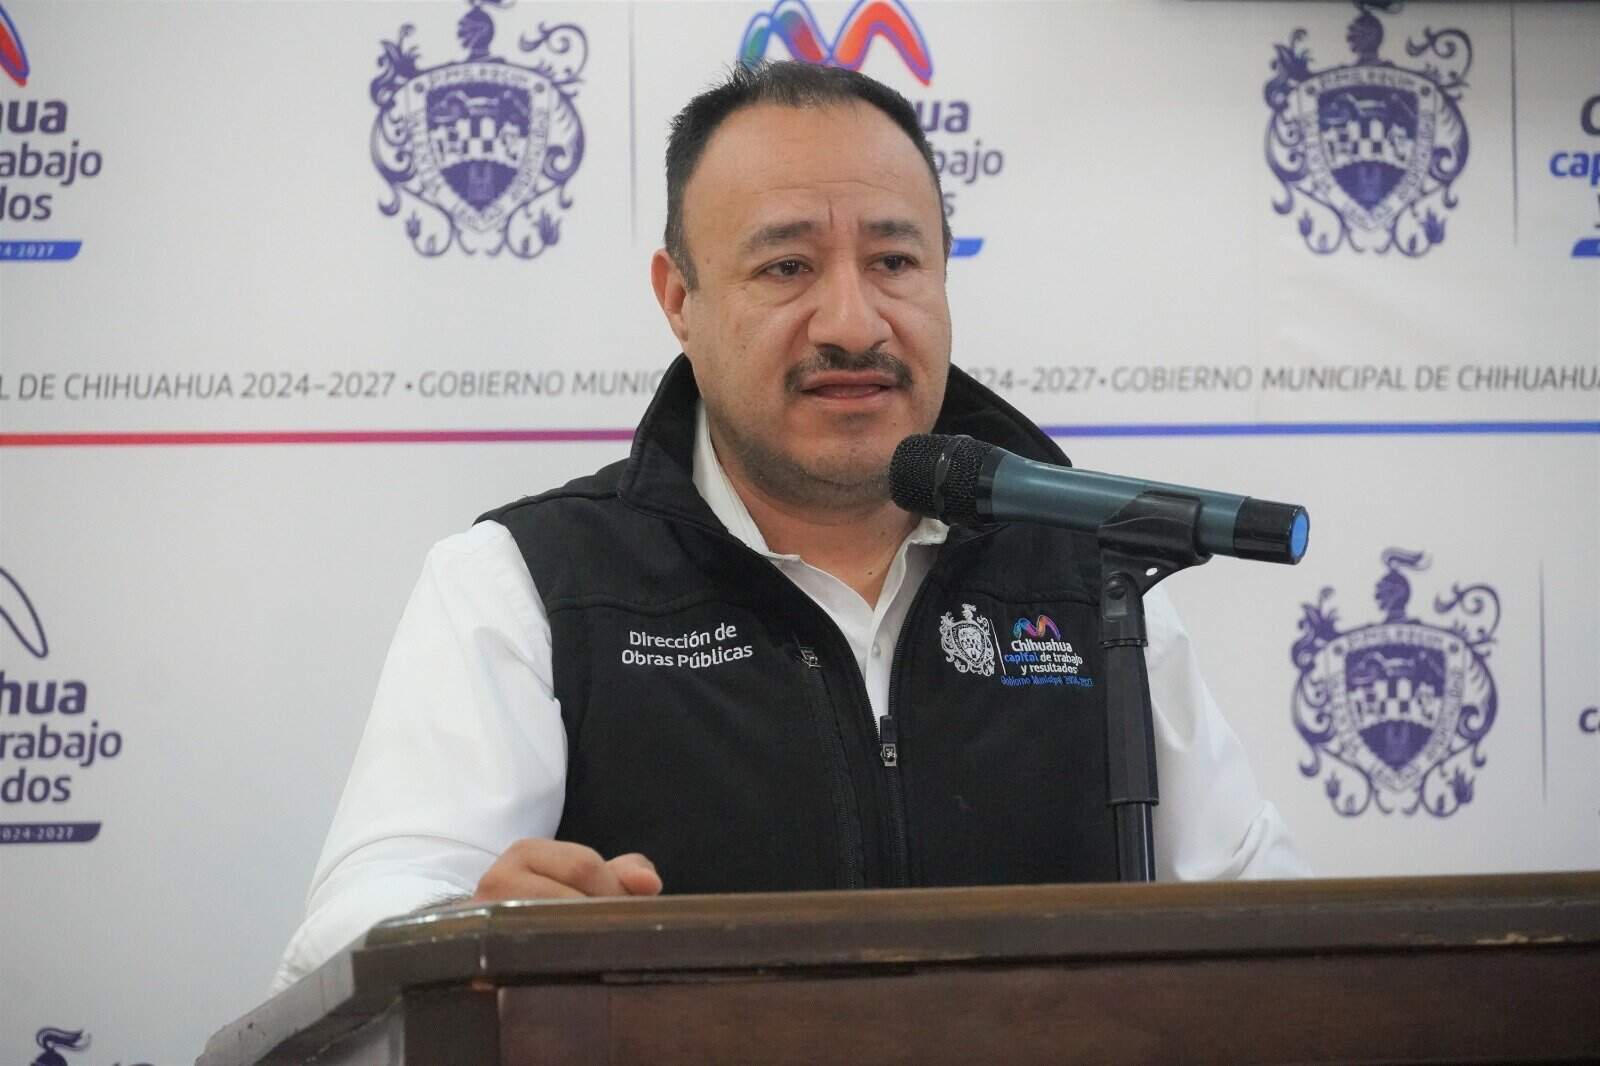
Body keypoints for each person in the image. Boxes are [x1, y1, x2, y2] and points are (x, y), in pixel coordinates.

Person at [273, 61, 1305, 992]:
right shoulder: (529, 585)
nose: (853, 322)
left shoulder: (1093, 580)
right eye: (786, 268)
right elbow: (346, 939)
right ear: (678, 298)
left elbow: (1281, 937)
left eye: (894, 261)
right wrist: (468, 926)